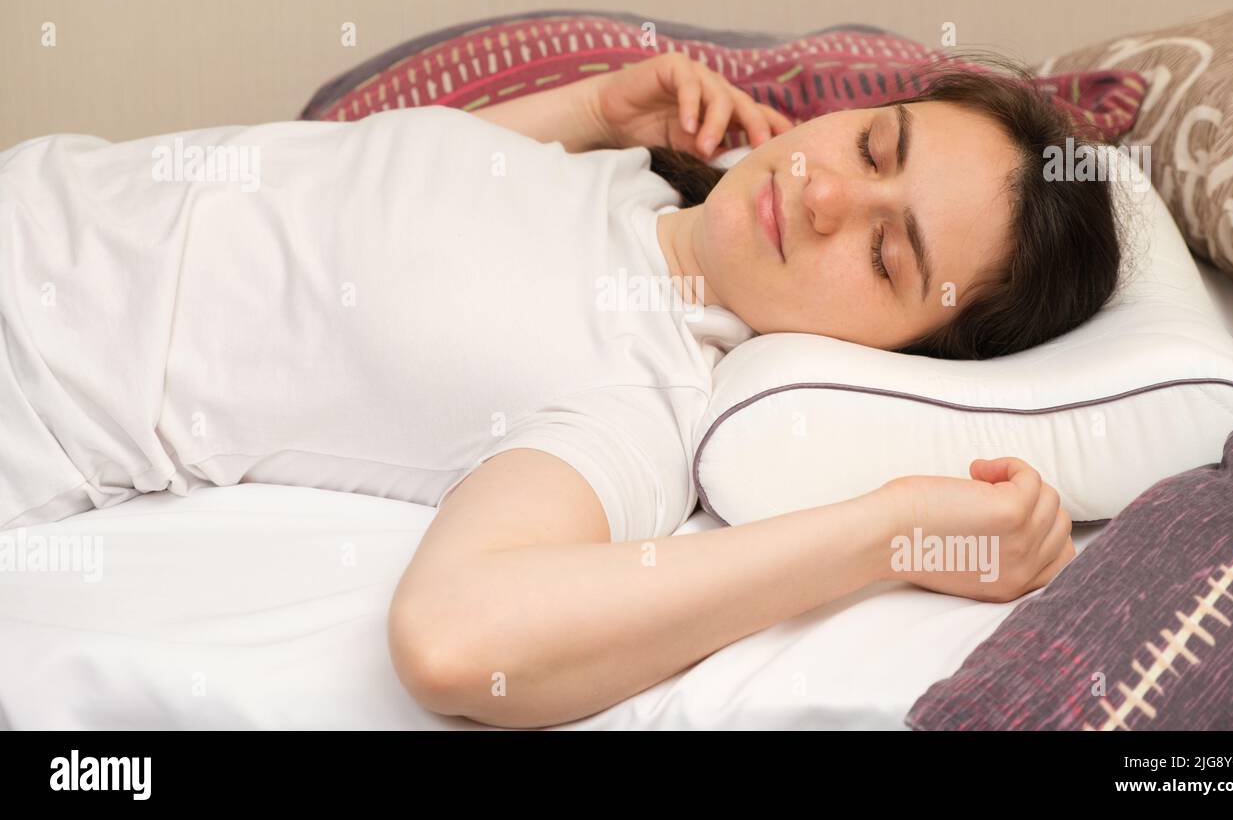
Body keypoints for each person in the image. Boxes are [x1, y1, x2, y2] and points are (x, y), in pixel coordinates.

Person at [0, 50, 1119, 729]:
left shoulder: (641, 399)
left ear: (899, 357)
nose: (825, 194)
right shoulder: (626, 182)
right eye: (876, 146)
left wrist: (890, 531)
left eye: (886, 257)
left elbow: (451, 639)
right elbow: (356, 201)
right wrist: (587, 111)